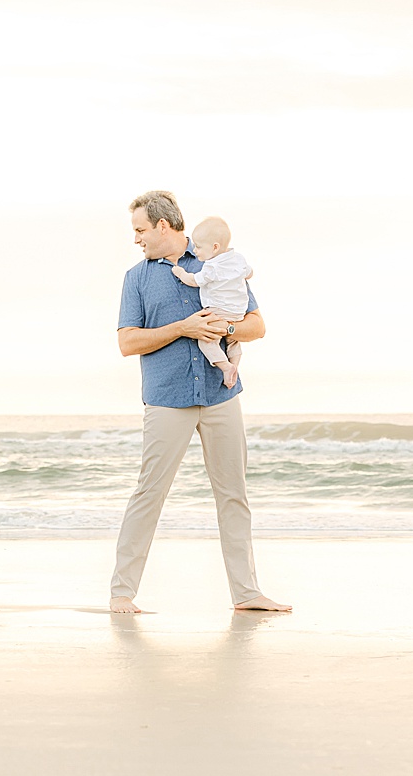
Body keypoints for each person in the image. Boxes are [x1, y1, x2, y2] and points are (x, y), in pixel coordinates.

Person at [111, 191, 291, 615]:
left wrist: (225, 326)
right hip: (166, 399)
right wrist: (183, 328)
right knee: (149, 493)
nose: (136, 239)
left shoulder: (219, 260)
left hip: (220, 394)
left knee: (234, 494)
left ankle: (247, 593)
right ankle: (122, 593)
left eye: (140, 230)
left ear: (163, 226)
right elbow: (127, 342)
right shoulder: (136, 278)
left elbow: (257, 326)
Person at [170, 215, 253, 389]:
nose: (196, 250)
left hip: (219, 311)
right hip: (238, 312)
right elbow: (249, 273)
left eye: (199, 247)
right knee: (233, 341)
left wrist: (180, 273)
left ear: (215, 248)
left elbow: (194, 281)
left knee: (207, 341)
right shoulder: (238, 258)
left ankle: (226, 367)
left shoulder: (211, 266)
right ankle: (235, 366)